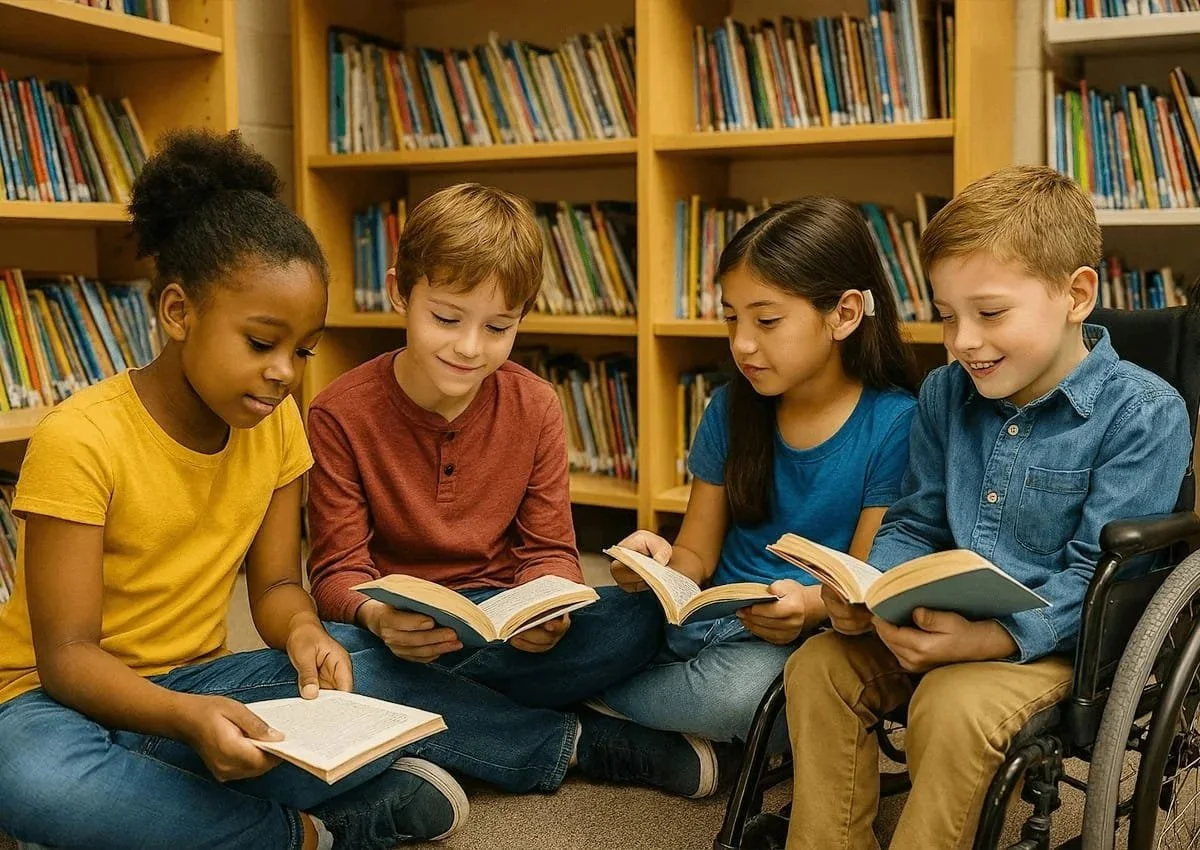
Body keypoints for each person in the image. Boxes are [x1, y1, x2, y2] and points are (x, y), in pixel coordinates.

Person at [0, 129, 469, 850]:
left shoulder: (277, 427)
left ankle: (143, 807)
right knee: (31, 777)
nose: (286, 371)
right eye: (261, 343)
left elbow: (278, 581)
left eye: (304, 350)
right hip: (50, 700)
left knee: (367, 652)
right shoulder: (80, 437)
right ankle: (303, 833)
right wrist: (185, 720)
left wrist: (305, 630)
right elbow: (66, 656)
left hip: (200, 683)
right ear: (179, 312)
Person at [784, 165, 1193, 849]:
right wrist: (881, 589)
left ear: (1077, 294)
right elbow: (915, 520)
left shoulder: (1145, 413)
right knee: (818, 667)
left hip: (1059, 644)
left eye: (990, 313)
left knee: (951, 704)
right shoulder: (946, 393)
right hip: (941, 617)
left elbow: (1103, 576)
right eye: (946, 316)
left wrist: (990, 640)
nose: (962, 341)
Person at [306, 182, 722, 798]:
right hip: (398, 635)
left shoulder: (535, 405)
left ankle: (432, 726)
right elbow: (337, 570)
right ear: (399, 291)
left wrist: (549, 605)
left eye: (498, 327)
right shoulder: (339, 412)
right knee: (333, 657)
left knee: (637, 616)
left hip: (503, 623)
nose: (470, 347)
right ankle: (576, 741)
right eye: (446, 318)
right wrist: (376, 615)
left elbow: (551, 549)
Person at [598, 197, 918, 752]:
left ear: (843, 314)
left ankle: (582, 710)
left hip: (786, 637)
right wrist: (657, 565)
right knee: (579, 624)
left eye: (766, 320)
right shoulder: (730, 407)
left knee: (746, 702)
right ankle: (612, 714)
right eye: (731, 317)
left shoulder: (895, 424)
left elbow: (864, 584)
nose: (742, 342)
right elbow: (695, 556)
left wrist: (810, 606)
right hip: (700, 616)